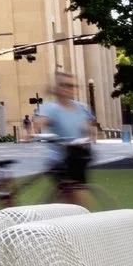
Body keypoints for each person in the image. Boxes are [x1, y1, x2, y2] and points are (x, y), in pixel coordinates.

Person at [33, 71, 97, 199]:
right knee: (71, 197)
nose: (69, 89)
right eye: (65, 85)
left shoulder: (82, 108)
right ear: (57, 88)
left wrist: (89, 133)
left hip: (78, 158)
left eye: (72, 86)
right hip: (60, 159)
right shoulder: (51, 108)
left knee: (79, 199)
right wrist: (32, 133)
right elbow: (38, 124)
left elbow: (89, 128)